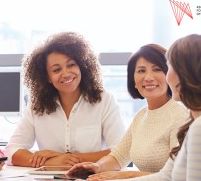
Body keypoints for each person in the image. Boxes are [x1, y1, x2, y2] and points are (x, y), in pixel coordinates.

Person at [106, 34, 201, 181]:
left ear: (186, 74)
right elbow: (165, 176)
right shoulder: (200, 121)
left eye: (169, 66)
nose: (167, 76)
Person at [67, 44, 188, 180]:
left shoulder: (179, 116)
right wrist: (97, 167)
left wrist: (127, 175)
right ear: (134, 81)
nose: (148, 77)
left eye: (157, 69)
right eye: (141, 71)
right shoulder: (141, 116)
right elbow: (118, 156)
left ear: (169, 75)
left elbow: (176, 175)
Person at [3, 31, 125, 167]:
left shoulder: (104, 100)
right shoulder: (36, 106)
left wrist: (66, 158)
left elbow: (120, 152)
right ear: (47, 77)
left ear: (82, 66)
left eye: (71, 65)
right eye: (56, 70)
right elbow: (10, 151)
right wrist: (52, 162)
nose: (66, 74)